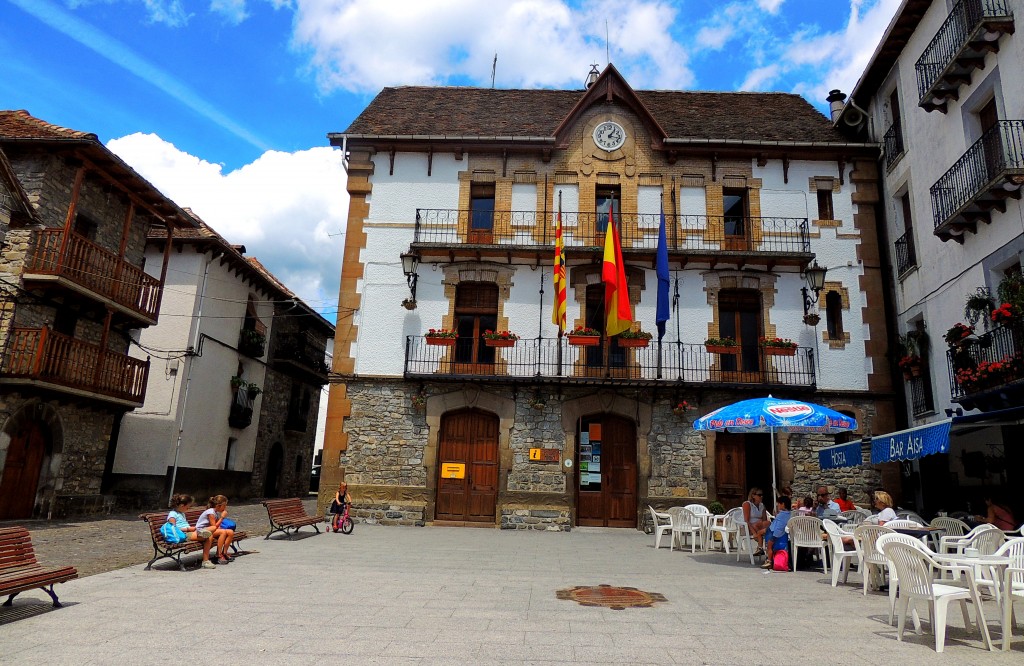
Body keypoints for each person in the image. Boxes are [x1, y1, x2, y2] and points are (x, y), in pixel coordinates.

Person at [166, 493, 215, 569]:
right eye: (187, 507)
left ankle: (202, 533)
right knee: (209, 536)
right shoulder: (172, 514)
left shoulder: (181, 513)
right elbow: (173, 529)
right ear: (182, 505)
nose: (188, 509)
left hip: (189, 532)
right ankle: (205, 561)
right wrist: (188, 529)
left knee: (209, 535)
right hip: (183, 534)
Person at [196, 495, 235, 565]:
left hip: (210, 530)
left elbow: (217, 526)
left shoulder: (215, 512)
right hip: (203, 531)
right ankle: (218, 555)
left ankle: (224, 552)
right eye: (224, 506)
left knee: (230, 532)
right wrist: (222, 517)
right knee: (223, 532)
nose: (225, 508)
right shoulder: (210, 513)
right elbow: (214, 526)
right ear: (218, 506)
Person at [762, 495, 792, 569]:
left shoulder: (781, 515)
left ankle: (769, 561)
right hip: (781, 534)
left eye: (778, 504)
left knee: (769, 546)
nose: (777, 505)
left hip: (775, 534)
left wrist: (774, 537)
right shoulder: (788, 514)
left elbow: (779, 527)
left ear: (783, 504)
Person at [742, 487, 769, 555]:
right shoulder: (747, 504)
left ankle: (761, 548)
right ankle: (762, 547)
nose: (761, 496)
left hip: (758, 526)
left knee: (768, 523)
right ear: (753, 495)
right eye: (759, 495)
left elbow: (764, 520)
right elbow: (746, 520)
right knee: (764, 529)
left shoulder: (762, 505)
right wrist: (754, 533)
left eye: (762, 495)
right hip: (748, 526)